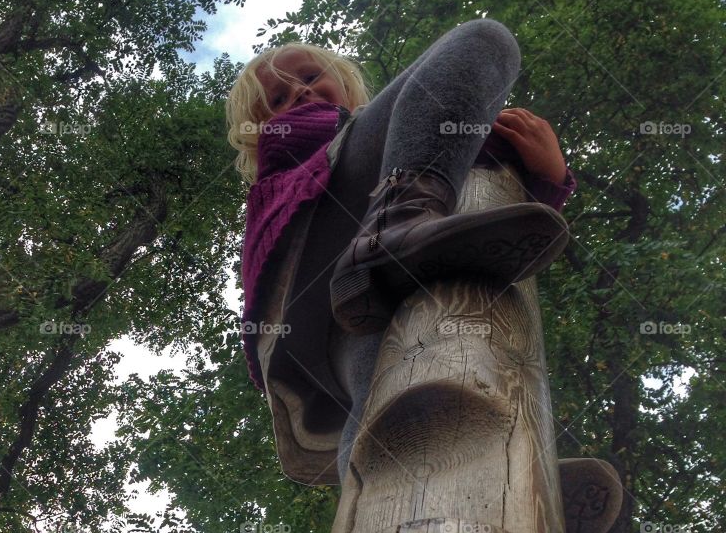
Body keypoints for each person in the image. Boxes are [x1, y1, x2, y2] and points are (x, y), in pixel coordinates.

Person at [225, 20, 577, 394]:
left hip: (327, 324)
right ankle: (397, 221)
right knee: (485, 41)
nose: (298, 91)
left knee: (385, 399)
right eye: (277, 100)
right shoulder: (296, 137)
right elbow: (451, 137)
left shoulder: (392, 146)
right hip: (314, 255)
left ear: (346, 84)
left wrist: (545, 174)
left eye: (311, 76)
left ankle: (517, 453)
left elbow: (491, 199)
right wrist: (545, 173)